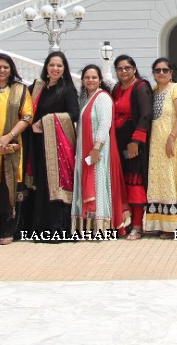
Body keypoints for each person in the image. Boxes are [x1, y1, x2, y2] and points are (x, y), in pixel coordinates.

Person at [22, 50, 80, 240]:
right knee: (39, 184)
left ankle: (57, 229)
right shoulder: (37, 88)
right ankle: (38, 227)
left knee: (54, 184)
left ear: (64, 69)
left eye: (59, 66)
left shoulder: (67, 89)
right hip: (38, 143)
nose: (55, 69)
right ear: (46, 67)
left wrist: (47, 120)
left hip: (58, 146)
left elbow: (74, 114)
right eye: (52, 65)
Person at [0, 53, 33, 245]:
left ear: (11, 70)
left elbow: (27, 116)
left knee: (13, 187)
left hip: (14, 146)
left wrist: (8, 137)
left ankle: (11, 230)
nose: (2, 70)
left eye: (6, 67)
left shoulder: (20, 90)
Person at [144, 57, 177, 234]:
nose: (161, 73)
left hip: (174, 140)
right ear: (153, 73)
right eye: (157, 70)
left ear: (171, 72)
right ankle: (163, 224)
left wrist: (171, 138)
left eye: (165, 70)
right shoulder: (153, 91)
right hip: (157, 143)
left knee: (174, 177)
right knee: (161, 179)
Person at [72, 63, 127, 233]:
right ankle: (88, 226)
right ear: (82, 80)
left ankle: (101, 227)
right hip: (85, 150)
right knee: (88, 183)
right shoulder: (85, 99)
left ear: (100, 80)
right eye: (87, 77)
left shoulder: (102, 97)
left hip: (99, 151)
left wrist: (96, 148)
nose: (90, 80)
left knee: (99, 184)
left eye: (94, 77)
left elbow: (105, 124)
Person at [112, 54, 152, 240]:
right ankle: (125, 223)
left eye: (127, 68)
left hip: (134, 144)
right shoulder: (116, 88)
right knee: (123, 183)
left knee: (136, 183)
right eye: (120, 69)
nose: (124, 71)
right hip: (118, 144)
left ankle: (137, 226)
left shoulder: (141, 87)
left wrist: (136, 141)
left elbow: (145, 115)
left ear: (134, 69)